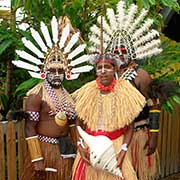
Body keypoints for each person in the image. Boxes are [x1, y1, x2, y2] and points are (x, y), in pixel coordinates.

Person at [12, 16, 93, 180]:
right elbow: (29, 127)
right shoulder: (36, 95)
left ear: (66, 73)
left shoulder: (67, 97)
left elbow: (72, 124)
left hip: (65, 149)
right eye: (52, 71)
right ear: (44, 72)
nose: (56, 75)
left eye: (60, 71)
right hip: (45, 148)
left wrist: (79, 146)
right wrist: (37, 159)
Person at [72, 54, 146, 180]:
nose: (103, 71)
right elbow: (78, 123)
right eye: (99, 67)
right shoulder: (86, 92)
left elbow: (130, 126)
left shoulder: (126, 92)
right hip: (90, 147)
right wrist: (80, 144)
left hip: (115, 146)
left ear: (115, 69)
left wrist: (123, 150)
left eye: (107, 67)